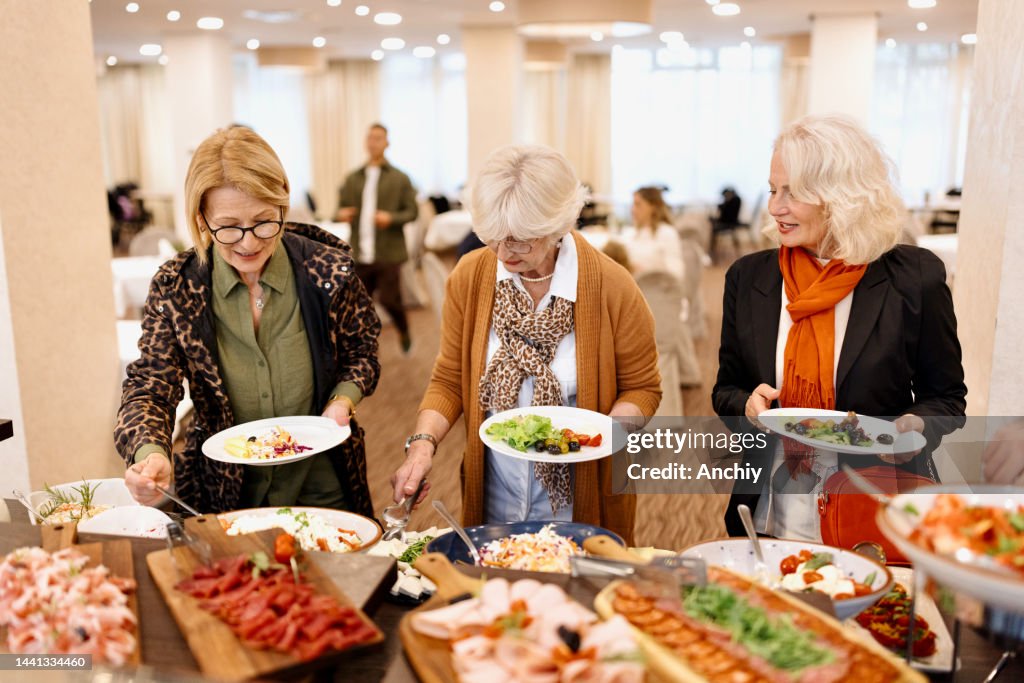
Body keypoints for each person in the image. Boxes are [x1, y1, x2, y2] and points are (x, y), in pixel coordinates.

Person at [389, 145, 661, 544]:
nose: (503, 252)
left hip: (581, 502)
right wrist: (422, 446)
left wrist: (601, 436)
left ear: (557, 224)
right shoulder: (471, 276)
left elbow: (643, 387)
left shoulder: (612, 286)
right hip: (495, 494)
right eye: (494, 236)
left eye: (520, 240)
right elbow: (449, 379)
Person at [712, 114, 967, 540]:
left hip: (869, 503)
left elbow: (945, 399)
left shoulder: (912, 278)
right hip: (771, 508)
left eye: (794, 193)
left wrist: (913, 427)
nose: (775, 207)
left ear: (841, 195)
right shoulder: (749, 277)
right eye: (774, 190)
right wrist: (748, 406)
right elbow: (727, 389)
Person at [116, 126, 381, 515]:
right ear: (201, 218)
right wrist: (151, 451)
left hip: (323, 482)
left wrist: (342, 401)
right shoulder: (176, 288)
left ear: (282, 205)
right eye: (228, 226)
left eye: (263, 221)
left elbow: (363, 351)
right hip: (222, 490)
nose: (248, 242)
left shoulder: (327, 269)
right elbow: (149, 388)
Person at [336, 123, 418, 353]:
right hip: (360, 252)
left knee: (391, 300)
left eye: (379, 138)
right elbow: (338, 208)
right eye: (370, 138)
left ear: (387, 143)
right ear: (366, 142)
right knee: (359, 305)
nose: (374, 142)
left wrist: (390, 218)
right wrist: (340, 214)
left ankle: (404, 331)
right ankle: (365, 347)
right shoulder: (353, 178)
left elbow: (412, 211)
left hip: (388, 252)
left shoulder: (400, 178)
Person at [626, 186, 684, 278]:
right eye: (633, 205)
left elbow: (676, 274)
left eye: (638, 205)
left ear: (652, 207)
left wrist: (643, 272)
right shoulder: (630, 233)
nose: (633, 210)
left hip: (652, 289)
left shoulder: (667, 233)